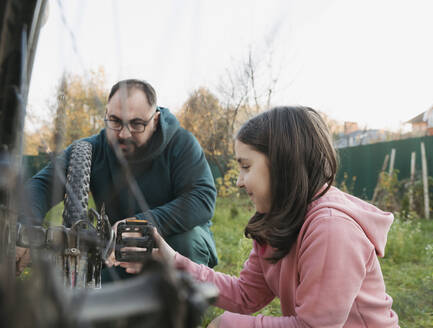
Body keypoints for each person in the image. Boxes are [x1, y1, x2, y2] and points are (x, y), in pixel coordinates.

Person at [117, 106, 399, 327]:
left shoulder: (332, 228)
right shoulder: (278, 220)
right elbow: (246, 295)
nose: (239, 181)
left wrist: (227, 325)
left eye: (246, 166)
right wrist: (171, 259)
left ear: (282, 164)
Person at [16, 79, 218, 279]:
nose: (124, 133)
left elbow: (202, 198)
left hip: (175, 248)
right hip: (120, 252)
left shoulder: (180, 143)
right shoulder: (92, 148)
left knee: (188, 240)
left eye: (137, 124)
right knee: (83, 299)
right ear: (106, 114)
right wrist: (26, 229)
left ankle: (183, 304)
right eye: (115, 121)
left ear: (155, 120)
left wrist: (140, 225)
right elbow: (42, 186)